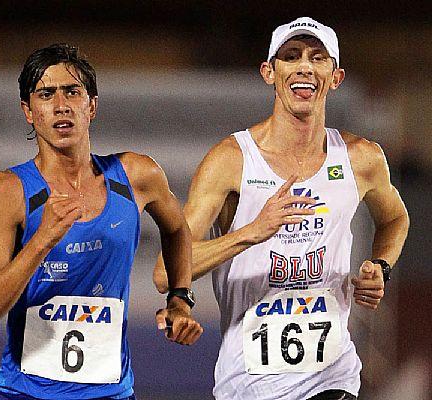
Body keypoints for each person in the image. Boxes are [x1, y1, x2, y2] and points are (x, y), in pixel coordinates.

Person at [153, 17, 409, 400]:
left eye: (317, 57)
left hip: (332, 378)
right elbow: (164, 272)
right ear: (269, 73)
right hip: (248, 382)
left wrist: (381, 266)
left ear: (335, 77)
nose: (304, 66)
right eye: (291, 56)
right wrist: (249, 233)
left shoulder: (362, 158)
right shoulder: (231, 160)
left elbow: (394, 217)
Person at [0, 43, 203, 400]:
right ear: (28, 111)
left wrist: (180, 298)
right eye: (46, 94)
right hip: (25, 393)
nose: (61, 106)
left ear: (91, 106)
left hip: (110, 393)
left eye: (72, 92)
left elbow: (176, 228)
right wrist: (41, 240)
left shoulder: (136, 175)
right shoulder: (7, 193)